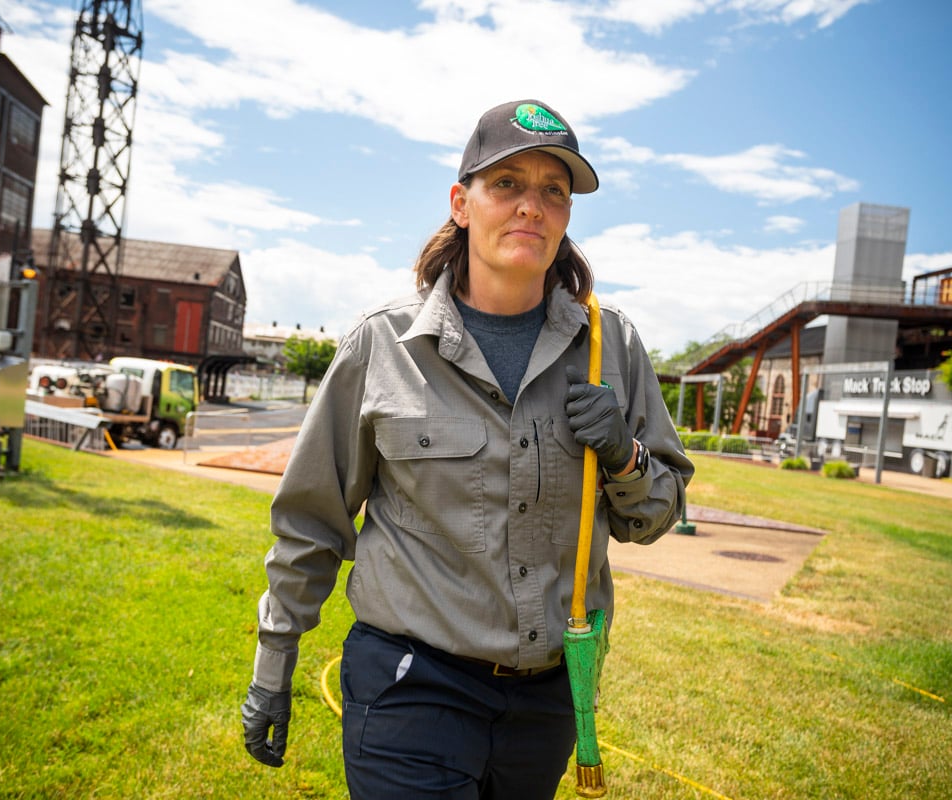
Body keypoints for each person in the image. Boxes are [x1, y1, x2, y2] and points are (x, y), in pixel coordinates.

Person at [241, 99, 694, 799]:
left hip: (547, 704)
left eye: (554, 191)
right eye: (507, 184)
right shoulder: (381, 345)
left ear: (567, 216)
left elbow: (653, 516)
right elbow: (311, 519)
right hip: (410, 686)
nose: (531, 207)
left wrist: (624, 455)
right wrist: (274, 665)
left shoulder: (615, 349)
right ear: (461, 202)